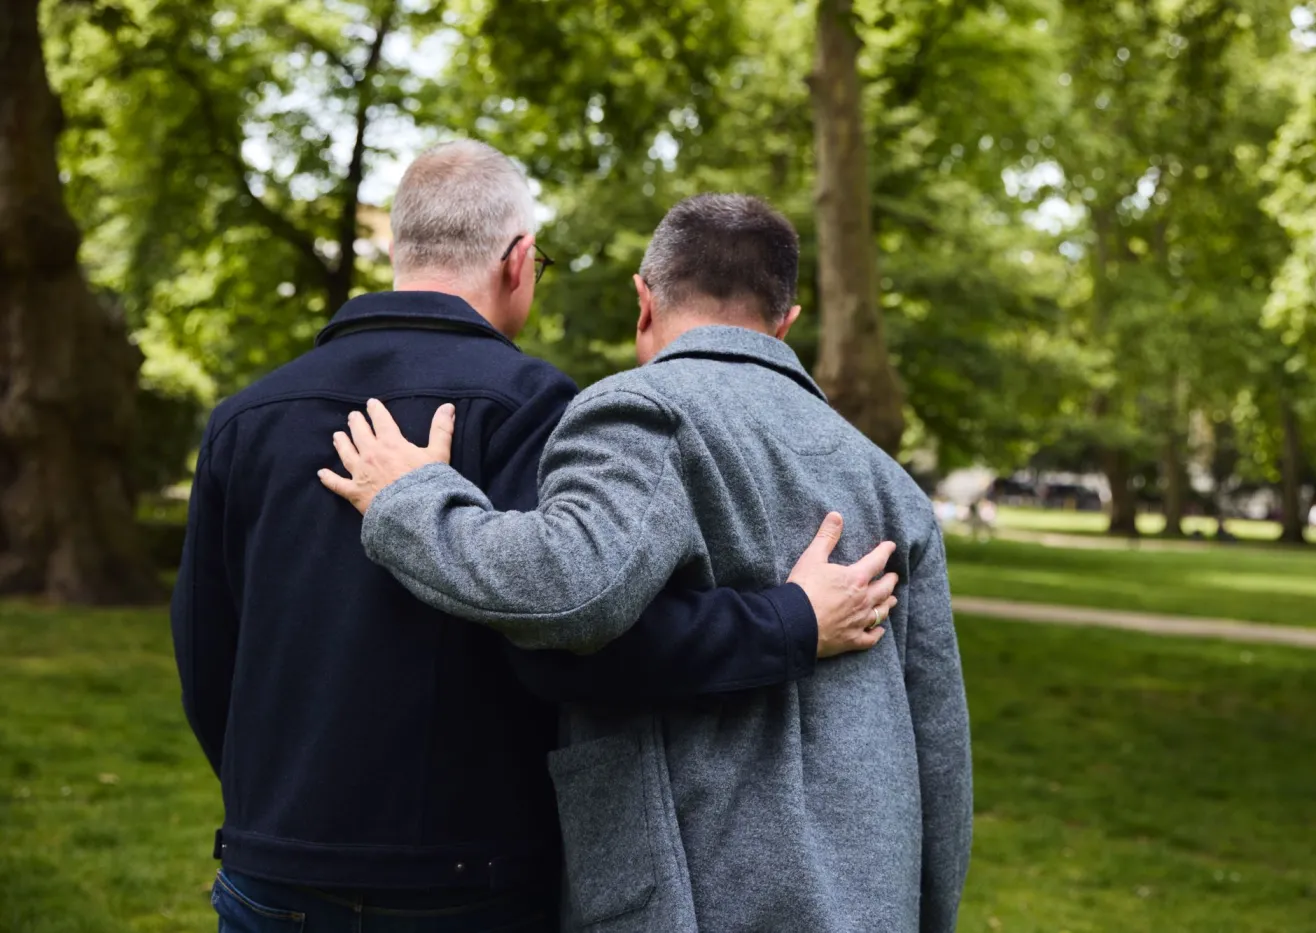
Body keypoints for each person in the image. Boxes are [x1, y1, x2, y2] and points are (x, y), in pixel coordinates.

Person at [171, 143, 899, 932]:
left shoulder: (246, 417)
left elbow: (207, 652)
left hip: (270, 866)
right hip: (469, 876)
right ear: (520, 261)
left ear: (398, 250)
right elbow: (589, 638)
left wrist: (271, 807)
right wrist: (791, 619)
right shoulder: (533, 405)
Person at [323, 194, 973, 933]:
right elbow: (942, 752)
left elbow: (565, 590)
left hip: (695, 901)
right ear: (786, 321)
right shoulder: (891, 484)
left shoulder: (642, 411)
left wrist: (409, 501)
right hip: (873, 904)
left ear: (644, 299)